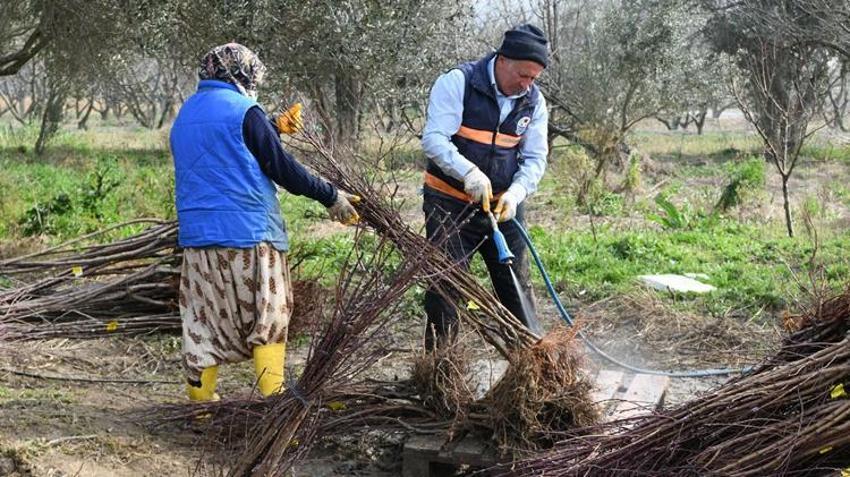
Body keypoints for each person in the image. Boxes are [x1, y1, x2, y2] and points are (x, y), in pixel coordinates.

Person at [170, 43, 359, 401]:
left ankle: (200, 409)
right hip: (250, 237)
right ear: (243, 74)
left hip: (197, 241)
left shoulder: (186, 114)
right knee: (268, 316)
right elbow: (282, 169)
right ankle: (274, 405)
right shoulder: (245, 111)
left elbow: (222, 150)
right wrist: (330, 195)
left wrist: (271, 128)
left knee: (204, 324)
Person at [420, 24, 550, 349]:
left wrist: (516, 194)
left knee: (517, 287)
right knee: (446, 289)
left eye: (534, 78)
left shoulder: (533, 101)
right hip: (449, 204)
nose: (527, 84)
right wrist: (469, 173)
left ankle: (535, 371)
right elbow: (434, 139)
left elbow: (535, 158)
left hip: (503, 207)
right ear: (503, 60)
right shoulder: (459, 83)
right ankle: (441, 373)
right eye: (522, 75)